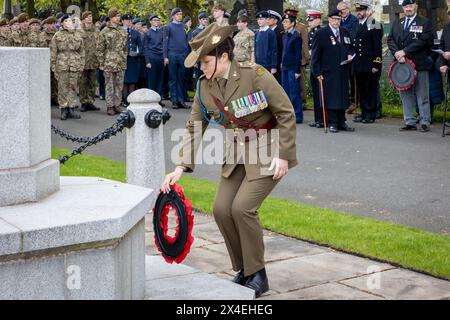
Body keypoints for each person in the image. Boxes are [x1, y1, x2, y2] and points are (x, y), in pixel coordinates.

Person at [161, 23, 297, 298]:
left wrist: (284, 155)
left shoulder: (254, 75)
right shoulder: (204, 87)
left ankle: (258, 273)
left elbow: (286, 113)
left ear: (223, 57)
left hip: (266, 150)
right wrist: (179, 167)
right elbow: (194, 127)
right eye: (200, 63)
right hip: (235, 153)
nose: (202, 68)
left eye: (206, 61)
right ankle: (245, 270)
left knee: (243, 208)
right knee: (222, 209)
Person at [387, 0, 433, 132]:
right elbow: (390, 39)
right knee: (405, 94)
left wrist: (405, 51)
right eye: (406, 6)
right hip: (401, 65)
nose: (408, 9)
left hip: (419, 64)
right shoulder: (398, 22)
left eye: (410, 6)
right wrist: (396, 53)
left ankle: (424, 121)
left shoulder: (425, 22)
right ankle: (410, 121)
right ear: (403, 8)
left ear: (415, 6)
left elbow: (424, 40)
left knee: (422, 94)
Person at [311, 9, 355, 133]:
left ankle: (342, 121)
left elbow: (351, 47)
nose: (337, 21)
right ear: (329, 19)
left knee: (342, 96)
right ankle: (333, 122)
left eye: (339, 19)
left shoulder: (345, 32)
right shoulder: (321, 33)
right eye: (334, 19)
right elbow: (315, 55)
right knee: (331, 97)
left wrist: (351, 54)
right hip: (328, 71)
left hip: (342, 69)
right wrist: (317, 72)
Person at [351, 2, 383, 124]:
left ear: (367, 11)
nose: (359, 13)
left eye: (361, 11)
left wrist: (376, 64)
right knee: (362, 89)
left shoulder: (374, 23)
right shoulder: (355, 25)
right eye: (357, 11)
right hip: (358, 63)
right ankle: (364, 113)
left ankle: (371, 114)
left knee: (371, 89)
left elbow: (377, 46)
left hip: (370, 63)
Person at [50, 14, 85, 120]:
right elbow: (53, 52)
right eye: (66, 21)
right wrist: (53, 67)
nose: (68, 23)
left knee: (73, 87)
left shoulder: (78, 35)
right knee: (62, 88)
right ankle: (64, 109)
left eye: (70, 21)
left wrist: (81, 65)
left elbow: (82, 51)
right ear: (62, 24)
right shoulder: (57, 35)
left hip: (75, 65)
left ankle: (71, 109)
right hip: (62, 65)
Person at [97, 8, 128, 116]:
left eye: (119, 16)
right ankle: (110, 106)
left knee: (119, 85)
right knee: (109, 85)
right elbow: (100, 49)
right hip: (109, 62)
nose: (118, 18)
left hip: (120, 62)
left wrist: (124, 59)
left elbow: (125, 48)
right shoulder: (104, 31)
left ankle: (117, 105)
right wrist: (101, 63)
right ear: (111, 18)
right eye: (116, 16)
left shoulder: (122, 31)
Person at [164, 8, 190, 109]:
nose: (180, 16)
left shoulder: (184, 26)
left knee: (181, 78)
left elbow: (187, 42)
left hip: (182, 55)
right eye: (178, 14)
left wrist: (187, 55)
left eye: (181, 14)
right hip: (172, 55)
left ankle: (181, 100)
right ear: (173, 16)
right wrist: (165, 56)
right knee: (173, 78)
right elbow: (165, 43)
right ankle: (174, 100)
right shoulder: (168, 27)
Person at [281, 10, 303, 124]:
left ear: (293, 23)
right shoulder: (285, 35)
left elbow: (298, 55)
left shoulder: (296, 36)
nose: (284, 23)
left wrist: (297, 70)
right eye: (283, 21)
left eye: (286, 21)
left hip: (293, 68)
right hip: (285, 67)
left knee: (294, 92)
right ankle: (289, 114)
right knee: (286, 92)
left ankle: (298, 116)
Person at [79, 11, 100, 112]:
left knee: (92, 83)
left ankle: (90, 102)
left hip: (93, 60)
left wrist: (99, 59)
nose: (89, 18)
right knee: (83, 83)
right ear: (83, 19)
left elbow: (99, 45)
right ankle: (83, 102)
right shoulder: (79, 31)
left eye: (91, 17)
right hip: (82, 61)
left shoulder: (96, 30)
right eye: (87, 17)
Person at [306, 9, 324, 128]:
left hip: (320, 66)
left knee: (321, 94)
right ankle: (318, 119)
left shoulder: (322, 32)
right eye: (309, 20)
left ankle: (323, 119)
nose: (309, 22)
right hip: (313, 65)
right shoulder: (310, 32)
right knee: (316, 95)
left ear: (318, 19)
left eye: (311, 20)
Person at [122, 14, 143, 106]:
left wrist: (137, 53)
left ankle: (131, 101)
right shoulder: (120, 32)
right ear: (122, 21)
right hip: (123, 60)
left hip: (134, 60)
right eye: (126, 20)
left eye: (130, 20)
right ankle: (124, 100)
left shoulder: (136, 33)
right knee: (124, 81)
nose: (129, 21)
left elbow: (141, 45)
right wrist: (125, 53)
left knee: (132, 81)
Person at [144, 14, 164, 103]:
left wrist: (164, 58)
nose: (157, 22)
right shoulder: (147, 33)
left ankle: (158, 99)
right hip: (152, 58)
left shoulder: (161, 32)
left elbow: (163, 45)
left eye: (158, 20)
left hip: (160, 58)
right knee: (152, 80)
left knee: (160, 79)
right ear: (151, 22)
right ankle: (151, 100)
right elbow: (145, 48)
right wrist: (147, 61)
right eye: (155, 20)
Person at [255, 11, 277, 75]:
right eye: (258, 19)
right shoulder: (257, 33)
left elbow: (274, 50)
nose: (259, 21)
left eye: (261, 19)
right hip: (258, 64)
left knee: (266, 84)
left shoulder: (270, 32)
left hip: (267, 65)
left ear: (267, 20)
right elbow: (256, 49)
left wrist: (273, 66)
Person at [267, 10, 283, 84]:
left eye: (270, 18)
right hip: (267, 62)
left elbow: (281, 49)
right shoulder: (267, 32)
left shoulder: (279, 33)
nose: (268, 20)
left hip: (276, 63)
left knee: (276, 84)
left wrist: (279, 63)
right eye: (267, 18)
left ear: (276, 20)